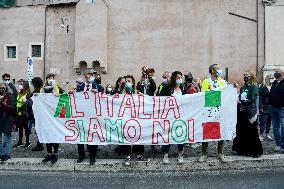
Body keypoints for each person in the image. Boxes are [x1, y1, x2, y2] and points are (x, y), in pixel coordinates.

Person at [72, 68, 103, 165]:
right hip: (82, 115)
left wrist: (97, 94)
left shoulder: (98, 87)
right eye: (89, 74)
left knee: (93, 135)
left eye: (93, 74)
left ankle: (92, 156)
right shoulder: (80, 87)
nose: (91, 76)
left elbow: (104, 99)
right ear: (85, 76)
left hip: (93, 116)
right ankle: (81, 155)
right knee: (81, 135)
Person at [199, 64, 227, 163]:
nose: (220, 70)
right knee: (206, 132)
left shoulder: (223, 82)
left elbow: (226, 95)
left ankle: (220, 153)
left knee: (221, 132)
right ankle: (204, 153)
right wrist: (216, 97)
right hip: (209, 111)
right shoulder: (206, 82)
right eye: (218, 68)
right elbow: (205, 96)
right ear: (212, 71)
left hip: (220, 111)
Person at [232, 71, 263, 157]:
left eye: (247, 75)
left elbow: (252, 100)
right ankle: (242, 149)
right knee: (242, 130)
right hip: (242, 112)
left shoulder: (254, 87)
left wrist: (240, 102)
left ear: (251, 77)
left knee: (251, 131)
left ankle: (255, 151)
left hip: (250, 112)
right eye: (244, 75)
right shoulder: (243, 88)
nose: (245, 76)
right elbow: (240, 97)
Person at [119, 75, 147, 165]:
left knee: (138, 135)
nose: (128, 82)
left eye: (129, 81)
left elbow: (146, 101)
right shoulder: (120, 93)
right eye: (126, 81)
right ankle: (127, 156)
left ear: (133, 82)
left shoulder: (137, 92)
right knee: (126, 136)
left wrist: (143, 96)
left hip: (136, 118)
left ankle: (139, 154)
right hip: (125, 118)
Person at [162, 71, 185, 164]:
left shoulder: (183, 88)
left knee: (180, 135)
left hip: (181, 116)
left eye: (181, 77)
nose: (180, 79)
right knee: (168, 135)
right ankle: (166, 155)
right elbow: (160, 99)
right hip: (170, 116)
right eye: (178, 77)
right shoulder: (168, 88)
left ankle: (180, 154)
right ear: (174, 78)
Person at [40, 74, 60, 164]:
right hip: (45, 115)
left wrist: (54, 87)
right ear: (46, 79)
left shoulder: (56, 87)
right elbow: (40, 97)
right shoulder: (43, 88)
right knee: (47, 134)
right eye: (49, 78)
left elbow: (57, 95)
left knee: (54, 135)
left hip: (54, 115)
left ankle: (55, 153)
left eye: (52, 78)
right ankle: (49, 153)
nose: (50, 79)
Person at [0, 81, 16, 162]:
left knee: (7, 138)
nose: (1, 89)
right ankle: (2, 154)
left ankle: (7, 154)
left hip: (7, 119)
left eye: (3, 88)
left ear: (6, 89)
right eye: (0, 88)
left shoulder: (10, 96)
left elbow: (12, 108)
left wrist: (3, 103)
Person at [269, 68, 284, 152]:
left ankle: (283, 146)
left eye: (276, 72)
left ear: (282, 73)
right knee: (275, 127)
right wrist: (270, 104)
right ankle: (278, 144)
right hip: (273, 108)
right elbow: (271, 93)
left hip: (282, 109)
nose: (275, 73)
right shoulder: (275, 82)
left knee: (283, 128)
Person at [13, 81, 32, 148]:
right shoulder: (20, 93)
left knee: (26, 128)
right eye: (20, 84)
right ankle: (20, 141)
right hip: (18, 113)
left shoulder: (28, 94)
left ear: (25, 86)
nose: (20, 86)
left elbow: (29, 104)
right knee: (20, 128)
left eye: (21, 84)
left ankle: (27, 142)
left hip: (24, 114)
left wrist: (26, 102)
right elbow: (17, 101)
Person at [31, 77, 45, 151]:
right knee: (38, 129)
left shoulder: (39, 90)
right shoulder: (38, 90)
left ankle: (40, 144)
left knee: (39, 129)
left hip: (39, 113)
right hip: (37, 113)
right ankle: (39, 143)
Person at [258, 75, 273, 142]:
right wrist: (261, 106)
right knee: (263, 121)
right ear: (266, 79)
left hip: (271, 106)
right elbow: (260, 97)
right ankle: (261, 134)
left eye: (271, 79)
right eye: (269, 79)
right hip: (264, 106)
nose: (270, 80)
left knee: (269, 121)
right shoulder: (263, 87)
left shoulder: (272, 87)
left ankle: (267, 134)